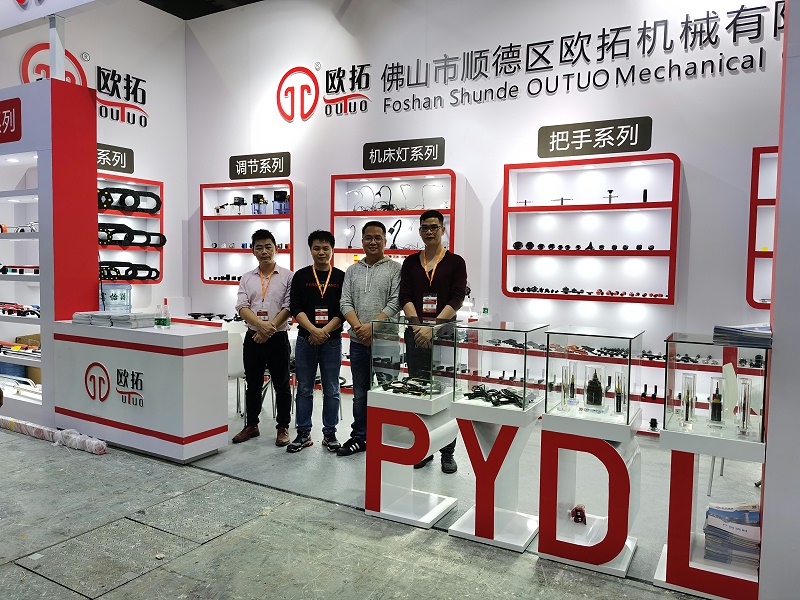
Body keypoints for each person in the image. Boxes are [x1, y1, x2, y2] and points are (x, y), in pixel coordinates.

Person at [399, 209, 467, 474]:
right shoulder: (410, 262)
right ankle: (424, 448)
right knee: (419, 389)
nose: (429, 231)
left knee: (445, 392)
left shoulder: (455, 262)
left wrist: (433, 328)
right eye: (425, 227)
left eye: (434, 227)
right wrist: (419, 328)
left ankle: (447, 452)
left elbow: (457, 298)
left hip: (444, 334)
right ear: (419, 231)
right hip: (416, 332)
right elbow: (405, 296)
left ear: (442, 230)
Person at [337, 221, 402, 457]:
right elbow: (345, 302)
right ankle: (360, 436)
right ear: (362, 240)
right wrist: (359, 328)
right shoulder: (352, 271)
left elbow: (395, 303)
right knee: (360, 394)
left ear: (385, 240)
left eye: (377, 238)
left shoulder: (395, 269)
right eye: (368, 237)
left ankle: (388, 438)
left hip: (386, 342)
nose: (373, 242)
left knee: (388, 392)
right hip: (358, 343)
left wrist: (371, 328)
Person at [233, 229, 293, 446]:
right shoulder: (246, 278)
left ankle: (283, 427)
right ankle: (252, 425)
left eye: (268, 246)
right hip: (253, 338)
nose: (264, 251)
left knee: (282, 384)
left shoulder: (288, 276)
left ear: (276, 249)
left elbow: (289, 306)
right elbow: (242, 306)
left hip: (278, 338)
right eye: (259, 247)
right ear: (253, 251)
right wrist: (261, 327)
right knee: (253, 384)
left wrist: (269, 329)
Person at [288, 230, 346, 453]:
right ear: (310, 249)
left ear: (332, 250)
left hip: (332, 341)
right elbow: (295, 307)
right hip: (306, 339)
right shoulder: (301, 276)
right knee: (304, 388)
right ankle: (303, 433)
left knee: (332, 389)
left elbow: (344, 309)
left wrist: (324, 332)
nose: (321, 252)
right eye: (316, 248)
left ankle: (330, 433)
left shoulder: (341, 277)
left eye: (325, 248)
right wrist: (313, 330)